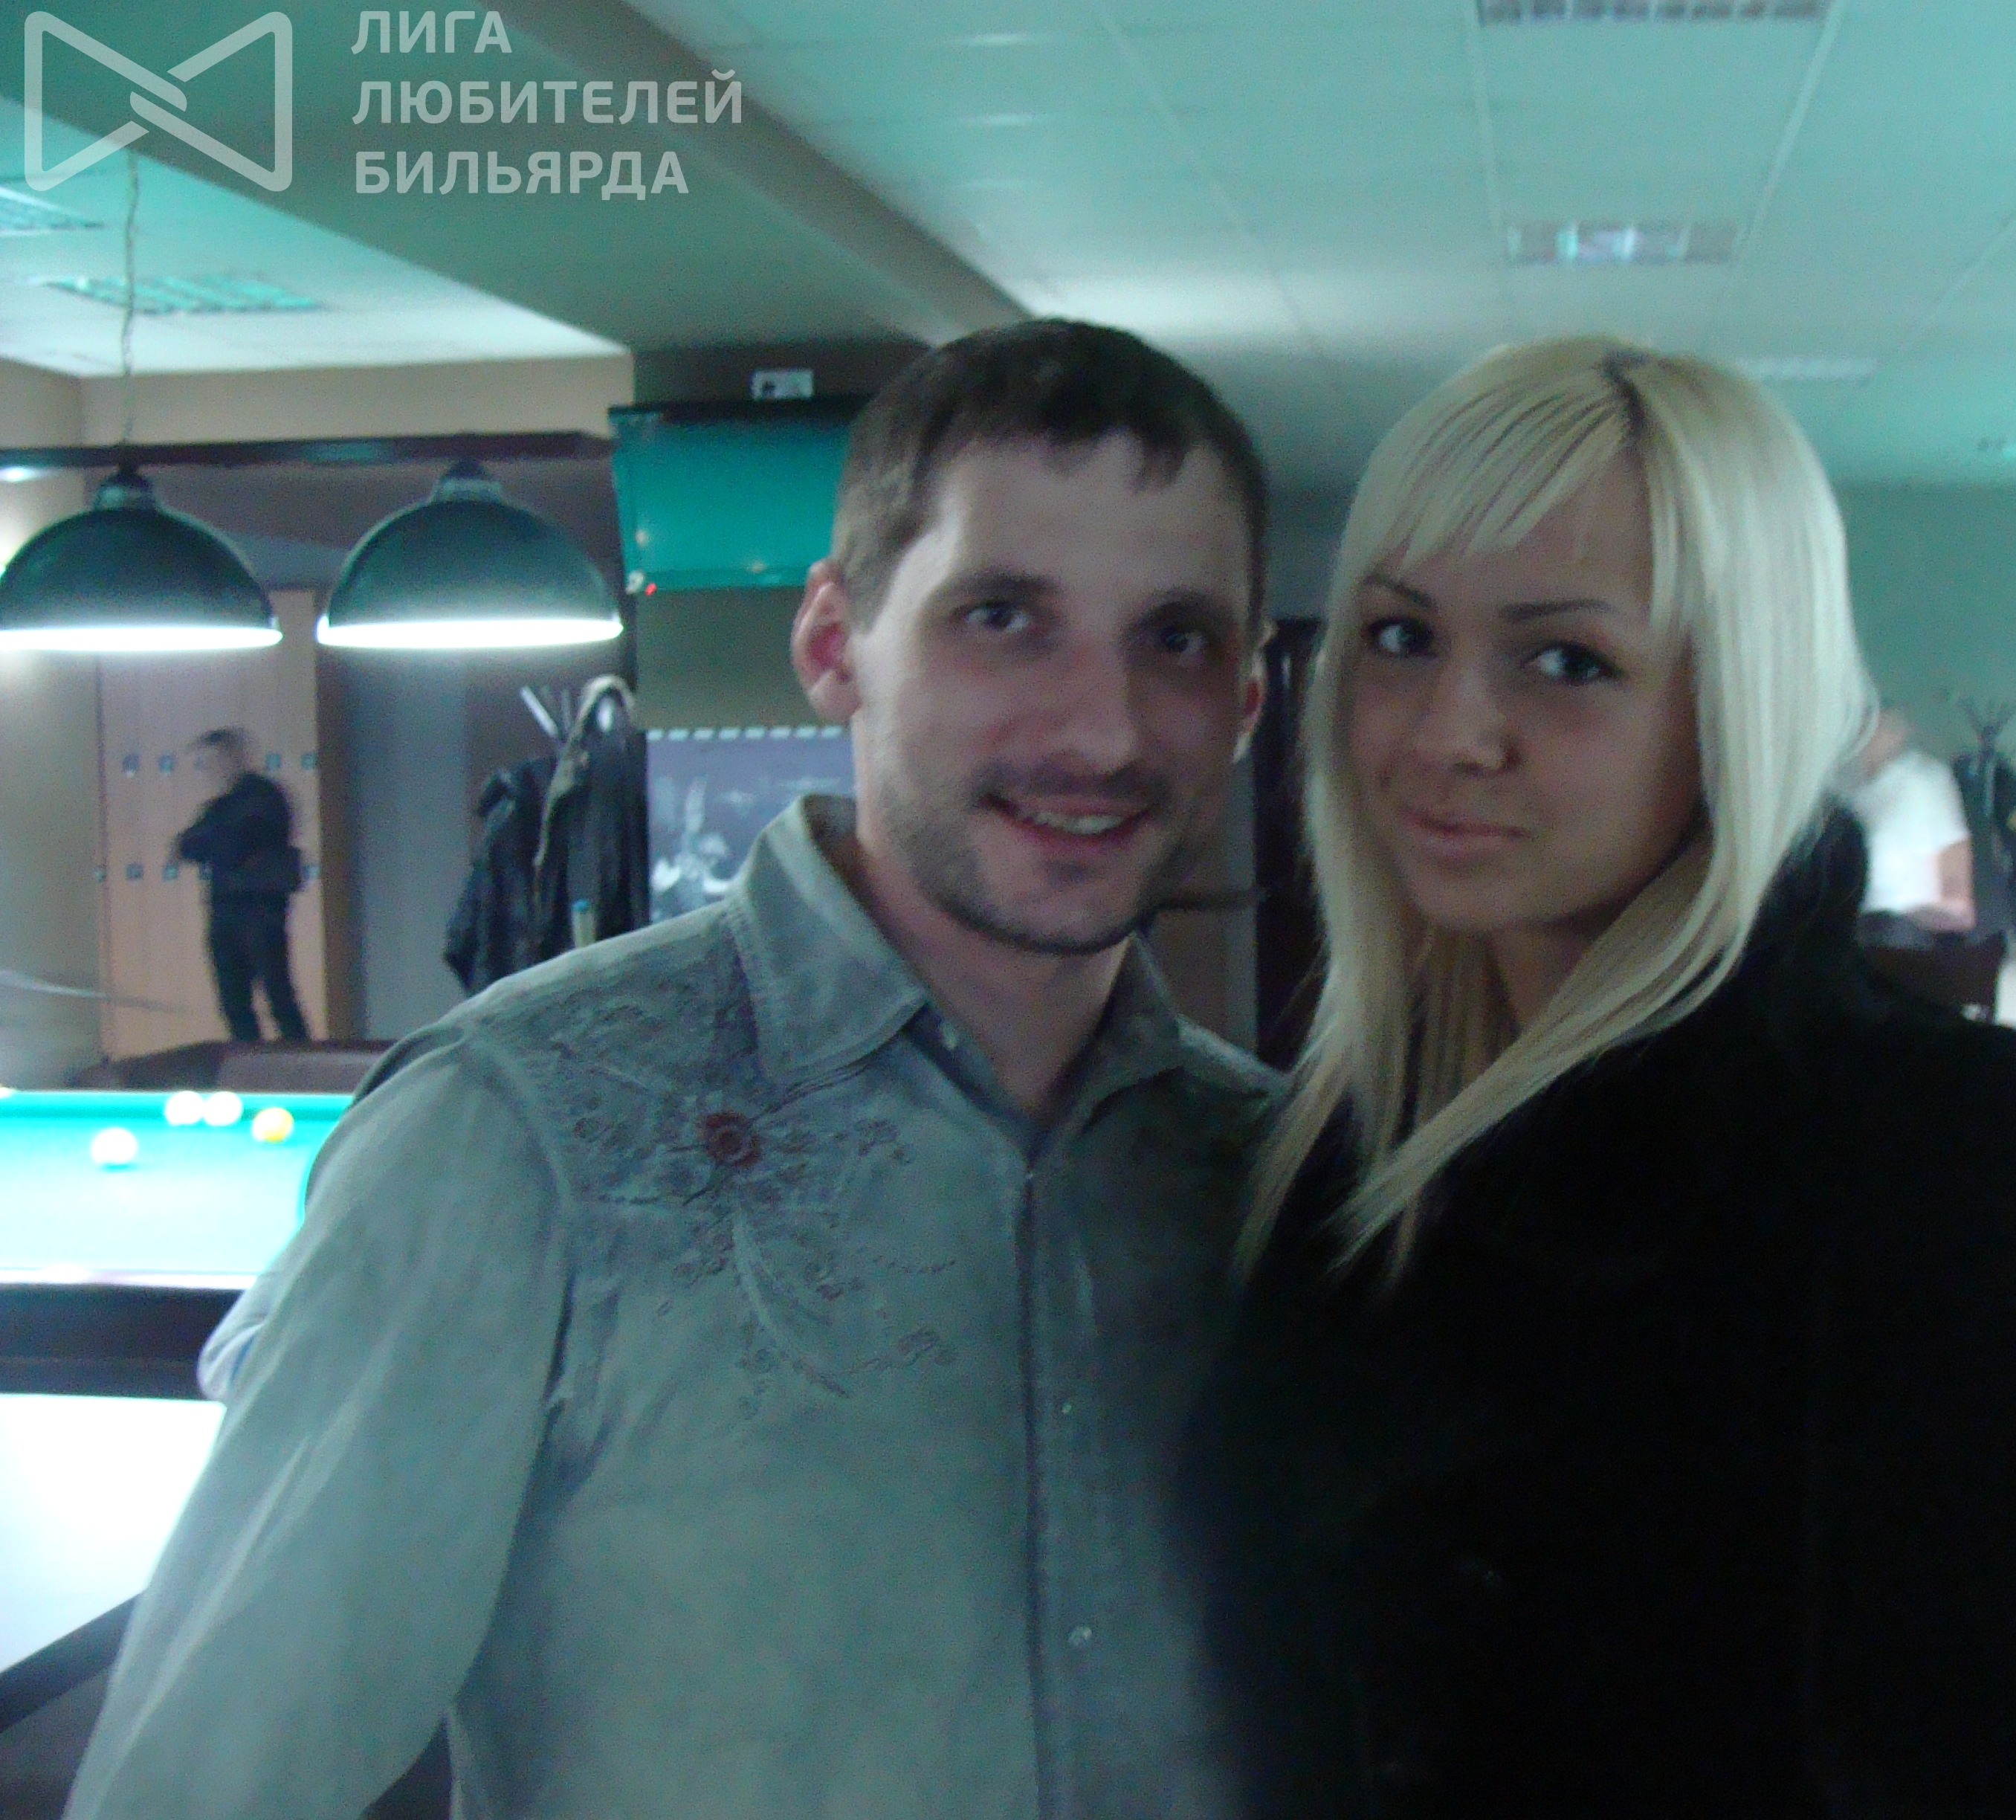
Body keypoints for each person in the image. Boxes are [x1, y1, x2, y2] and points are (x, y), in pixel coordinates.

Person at [71, 321, 1280, 1819]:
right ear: (833, 645)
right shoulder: (521, 1134)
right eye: (1001, 617)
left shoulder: (1272, 1176)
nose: (1100, 728)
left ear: (1244, 702)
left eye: (1174, 638)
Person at [1198, 338, 2016, 1816]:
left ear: (1732, 708)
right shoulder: (1346, 1133)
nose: (1447, 733)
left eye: (1565, 661)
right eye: (1400, 636)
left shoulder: (1931, 1149)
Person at [172, 726, 307, 1042]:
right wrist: (218, 840)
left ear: (233, 756)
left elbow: (237, 840)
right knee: (234, 1001)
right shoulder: (221, 807)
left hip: (260, 910)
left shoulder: (264, 796)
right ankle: (250, 1061)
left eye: (212, 761)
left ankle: (302, 1060)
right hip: (226, 911)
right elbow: (187, 846)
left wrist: (215, 841)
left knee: (278, 995)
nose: (210, 771)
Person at [1846, 705, 1975, 946]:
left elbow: (1954, 848)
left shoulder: (1923, 780)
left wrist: (1955, 916)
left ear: (1897, 735)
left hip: (1902, 927)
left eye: (1878, 730)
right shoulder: (1855, 796)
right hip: (1857, 922)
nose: (1868, 740)